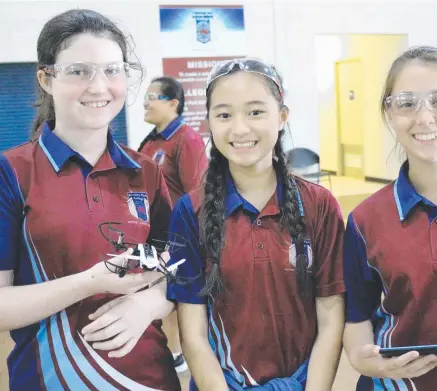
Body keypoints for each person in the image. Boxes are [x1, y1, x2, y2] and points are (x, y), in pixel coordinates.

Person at [0, 9, 180, 391]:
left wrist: (148, 304)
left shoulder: (146, 172)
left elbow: (180, 268)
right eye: (79, 71)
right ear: (47, 79)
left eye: (112, 70)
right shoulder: (11, 173)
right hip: (50, 380)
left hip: (150, 378)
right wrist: (88, 282)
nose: (99, 87)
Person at [166, 58, 346, 390]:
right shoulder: (190, 211)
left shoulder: (320, 206)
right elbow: (192, 332)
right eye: (223, 115)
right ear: (208, 122)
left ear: (282, 116)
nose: (239, 129)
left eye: (255, 112)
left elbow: (331, 320)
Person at [343, 45, 437, 391]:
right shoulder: (365, 220)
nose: (425, 118)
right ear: (389, 114)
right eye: (407, 103)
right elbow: (357, 318)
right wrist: (362, 359)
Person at [138, 76, 208, 372]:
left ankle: (184, 354)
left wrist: (192, 239)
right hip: (152, 234)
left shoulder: (186, 139)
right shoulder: (152, 140)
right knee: (158, 291)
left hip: (177, 237)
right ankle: (172, 350)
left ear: (173, 103)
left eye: (153, 96)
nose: (146, 102)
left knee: (179, 295)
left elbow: (197, 193)